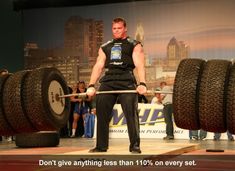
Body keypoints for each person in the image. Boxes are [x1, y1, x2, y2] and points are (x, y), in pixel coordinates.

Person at [86, 17, 146, 153]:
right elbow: (98, 66)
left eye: (119, 28)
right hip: (108, 80)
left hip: (126, 78)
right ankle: (101, 146)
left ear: (125, 28)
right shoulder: (105, 46)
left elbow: (140, 65)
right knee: (101, 113)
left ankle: (134, 145)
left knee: (131, 113)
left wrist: (142, 83)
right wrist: (91, 85)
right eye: (114, 28)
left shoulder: (134, 44)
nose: (117, 30)